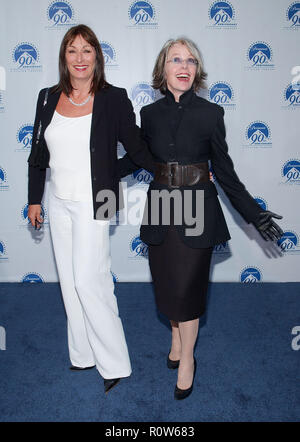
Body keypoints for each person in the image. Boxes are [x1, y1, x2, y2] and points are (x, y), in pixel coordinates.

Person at [118, 38, 283, 400]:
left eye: (191, 60)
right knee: (167, 287)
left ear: (197, 70)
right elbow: (139, 159)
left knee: (188, 291)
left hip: (197, 209)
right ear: (163, 69)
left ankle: (188, 359)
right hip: (161, 206)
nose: (184, 66)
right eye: (176, 59)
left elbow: (224, 173)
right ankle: (176, 339)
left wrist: (254, 214)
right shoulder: (149, 115)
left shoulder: (211, 114)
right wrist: (100, 174)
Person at [27, 24, 154, 394]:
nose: (80, 58)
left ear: (96, 56)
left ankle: (115, 363)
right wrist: (35, 198)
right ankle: (83, 354)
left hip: (98, 198)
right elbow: (38, 155)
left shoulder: (113, 98)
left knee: (90, 279)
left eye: (87, 50)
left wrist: (173, 168)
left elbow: (137, 148)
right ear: (63, 57)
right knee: (69, 282)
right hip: (59, 200)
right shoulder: (47, 97)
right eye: (72, 50)